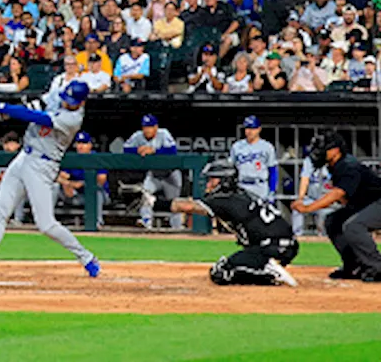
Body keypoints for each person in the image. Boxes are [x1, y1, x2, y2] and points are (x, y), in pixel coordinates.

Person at [0, 81, 100, 279]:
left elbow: (38, 118)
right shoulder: (58, 94)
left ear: (81, 102)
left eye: (71, 101)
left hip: (42, 165)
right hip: (24, 156)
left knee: (46, 224)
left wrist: (3, 107)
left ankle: (86, 257)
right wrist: (4, 115)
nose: (66, 103)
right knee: (0, 211)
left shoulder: (73, 119)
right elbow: (34, 106)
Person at [155, 158, 298, 287]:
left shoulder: (224, 199)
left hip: (271, 246)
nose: (208, 184)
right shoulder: (242, 194)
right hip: (286, 245)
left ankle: (267, 270)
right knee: (230, 267)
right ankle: (266, 271)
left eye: (213, 180)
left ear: (224, 181)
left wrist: (155, 203)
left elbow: (188, 206)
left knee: (221, 273)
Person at [294, 131, 381, 282]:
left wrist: (308, 208)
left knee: (353, 226)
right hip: (370, 203)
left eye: (323, 149)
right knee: (334, 221)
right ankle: (354, 266)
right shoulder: (336, 166)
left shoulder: (347, 165)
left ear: (335, 150)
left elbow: (337, 194)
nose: (318, 153)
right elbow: (345, 198)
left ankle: (379, 268)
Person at [124, 114, 182, 229]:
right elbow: (126, 148)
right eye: (145, 127)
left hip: (170, 174)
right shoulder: (138, 136)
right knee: (145, 194)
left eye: (150, 126)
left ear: (156, 127)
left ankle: (177, 228)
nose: (147, 130)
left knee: (175, 203)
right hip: (154, 174)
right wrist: (137, 150)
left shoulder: (163, 133)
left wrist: (154, 150)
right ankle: (146, 221)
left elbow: (172, 151)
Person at [55, 131, 108, 229]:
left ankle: (97, 222)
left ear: (90, 145)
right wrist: (67, 184)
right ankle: (50, 221)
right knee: (54, 186)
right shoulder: (72, 157)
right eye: (78, 143)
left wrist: (83, 184)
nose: (80, 146)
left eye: (84, 143)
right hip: (77, 196)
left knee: (97, 192)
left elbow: (101, 180)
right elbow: (60, 176)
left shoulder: (97, 158)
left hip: (97, 196)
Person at [229, 115, 278, 200]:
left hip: (260, 186)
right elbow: (230, 168)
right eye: (247, 128)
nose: (250, 131)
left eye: (253, 128)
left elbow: (272, 171)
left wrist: (272, 191)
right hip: (242, 186)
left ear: (259, 129)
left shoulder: (267, 147)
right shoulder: (237, 147)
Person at [293, 148, 336, 236]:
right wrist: (300, 198)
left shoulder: (333, 161)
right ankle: (297, 238)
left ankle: (325, 239)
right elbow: (304, 179)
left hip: (327, 201)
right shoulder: (309, 161)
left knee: (325, 219)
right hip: (311, 199)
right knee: (297, 209)